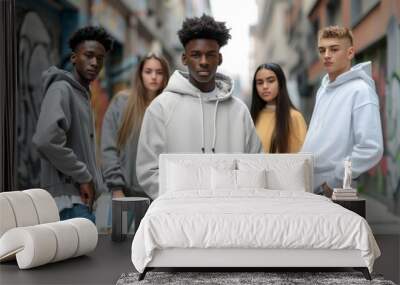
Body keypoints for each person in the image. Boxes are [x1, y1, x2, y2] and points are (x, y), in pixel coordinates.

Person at [136, 14, 263, 199]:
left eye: (210, 55)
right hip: (180, 217)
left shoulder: (239, 111)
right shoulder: (161, 108)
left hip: (231, 216)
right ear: (184, 58)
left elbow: (255, 165)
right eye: (196, 55)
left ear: (219, 58)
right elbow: (148, 171)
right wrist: (183, 202)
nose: (203, 61)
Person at [33, 26, 114, 222]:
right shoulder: (62, 89)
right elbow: (46, 140)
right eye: (88, 55)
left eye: (100, 58)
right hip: (66, 201)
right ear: (73, 58)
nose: (95, 62)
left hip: (80, 199)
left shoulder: (82, 94)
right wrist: (83, 176)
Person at [301, 26, 383, 195]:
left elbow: (371, 148)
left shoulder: (361, 91)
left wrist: (335, 181)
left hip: (333, 191)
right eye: (322, 50)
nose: (326, 55)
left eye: (334, 49)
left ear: (350, 52)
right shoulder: (323, 90)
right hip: (308, 187)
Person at [101, 54, 170, 199]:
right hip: (125, 193)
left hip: (160, 195)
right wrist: (116, 187)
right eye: (148, 71)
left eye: (159, 72)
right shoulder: (121, 103)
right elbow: (108, 148)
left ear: (165, 76)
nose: (153, 77)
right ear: (140, 74)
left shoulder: (170, 108)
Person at [250, 63, 307, 153]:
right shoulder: (251, 118)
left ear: (280, 83)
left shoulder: (294, 117)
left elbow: (301, 159)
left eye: (270, 81)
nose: (265, 86)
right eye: (260, 82)